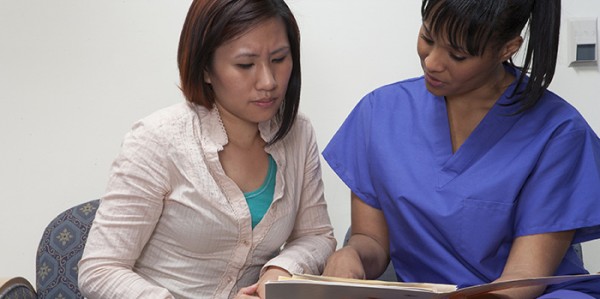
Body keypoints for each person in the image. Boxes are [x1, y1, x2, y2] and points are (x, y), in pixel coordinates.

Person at [322, 0, 600, 298]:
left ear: (507, 48)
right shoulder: (379, 113)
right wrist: (352, 256)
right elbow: (371, 240)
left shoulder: (558, 132)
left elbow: (523, 278)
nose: (432, 62)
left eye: (457, 55)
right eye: (428, 37)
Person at [77, 0, 336, 298]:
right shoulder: (157, 139)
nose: (268, 81)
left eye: (279, 59)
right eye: (245, 65)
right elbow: (100, 270)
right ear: (205, 69)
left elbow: (316, 235)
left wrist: (280, 270)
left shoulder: (297, 134)